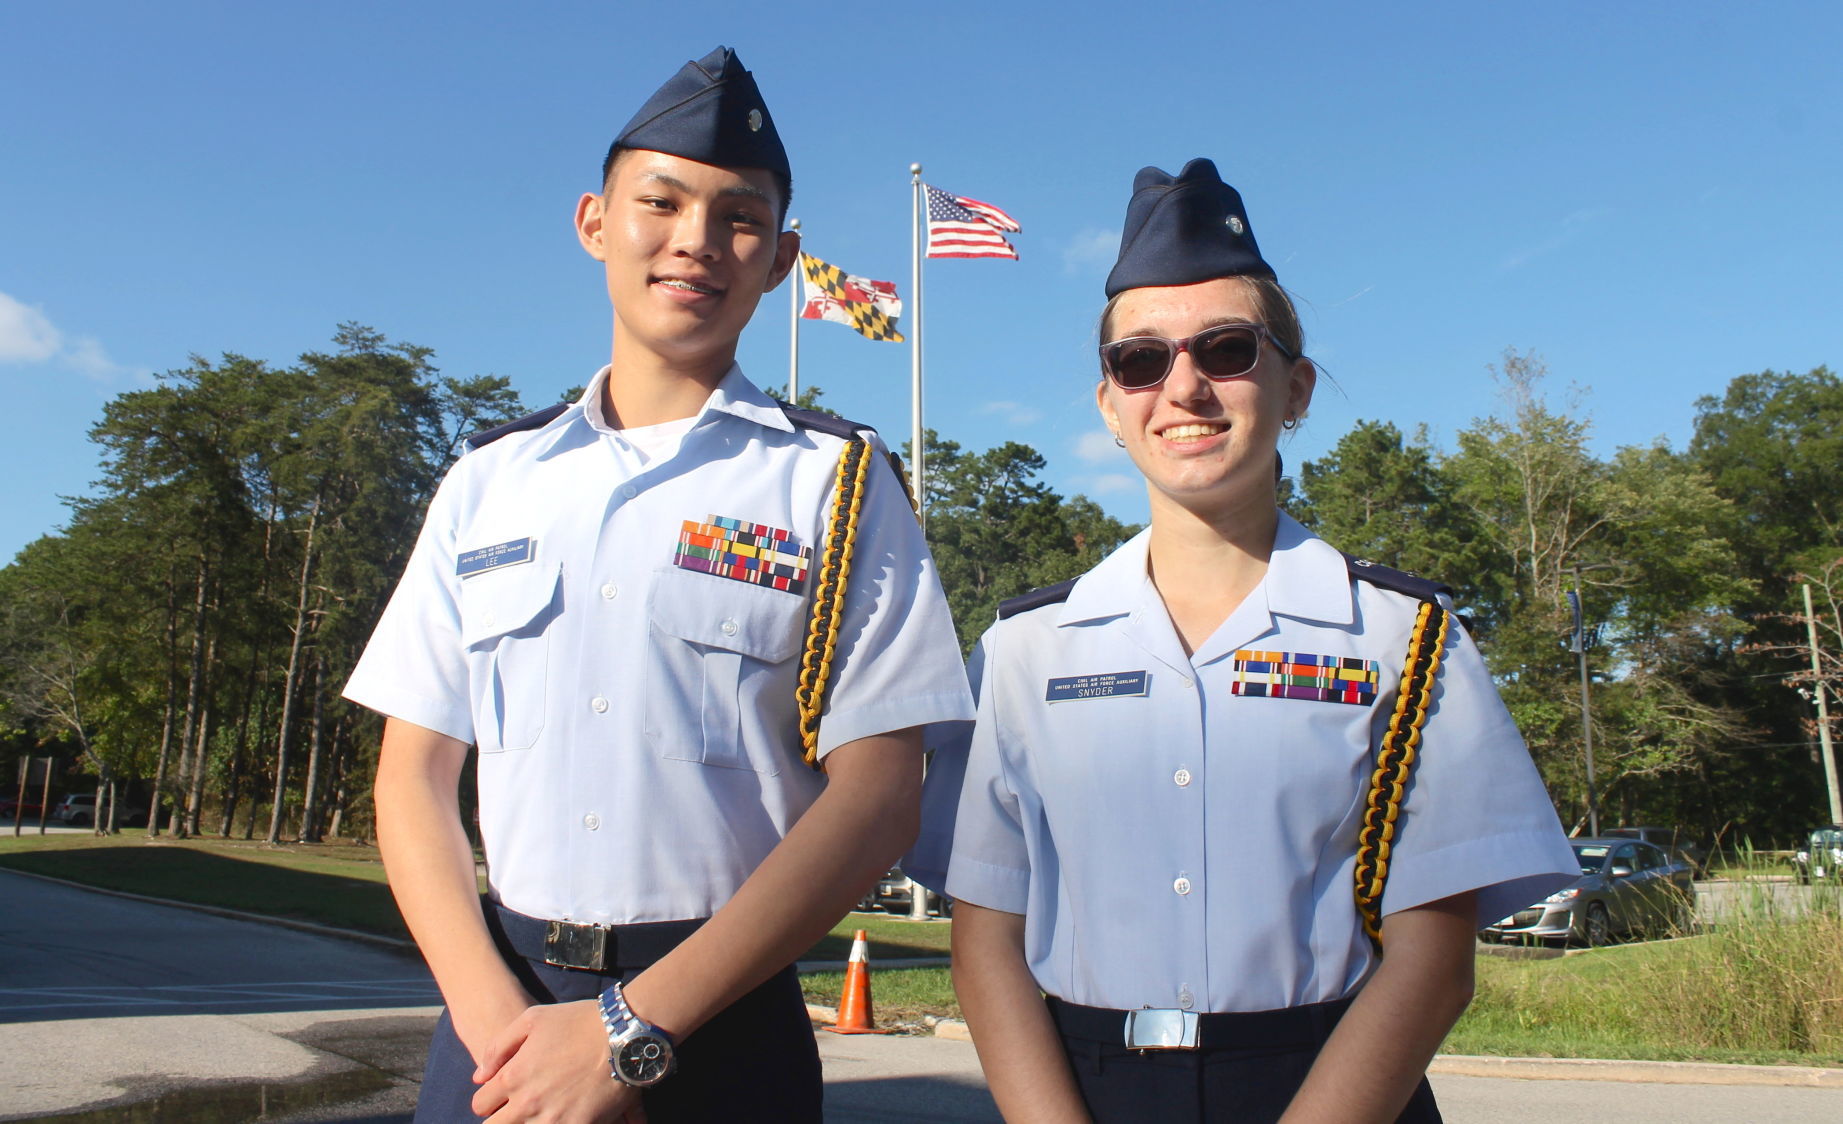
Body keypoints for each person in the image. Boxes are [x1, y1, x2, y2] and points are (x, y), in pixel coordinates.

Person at [343, 47, 973, 1123]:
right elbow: (411, 776)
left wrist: (629, 1032)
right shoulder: (488, 480)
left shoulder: (837, 480)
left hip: (721, 1024)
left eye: (738, 216)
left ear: (780, 258)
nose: (695, 239)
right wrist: (505, 1031)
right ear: (594, 221)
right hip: (501, 1020)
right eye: (661, 200)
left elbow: (879, 792)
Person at [909, 158, 1577, 1123]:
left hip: (1335, 1090)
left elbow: (1432, 959)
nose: (1182, 386)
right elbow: (985, 937)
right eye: (1139, 360)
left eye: (1225, 349)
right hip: (1082, 1092)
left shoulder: (1406, 639)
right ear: (1109, 405)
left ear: (1295, 388)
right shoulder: (1025, 649)